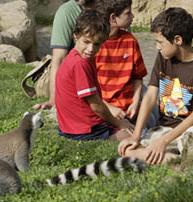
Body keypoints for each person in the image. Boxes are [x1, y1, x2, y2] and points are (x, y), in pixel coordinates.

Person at [119, 8, 193, 164]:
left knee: (183, 144)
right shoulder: (164, 57)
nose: (157, 47)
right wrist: (136, 135)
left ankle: (177, 161)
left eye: (160, 42)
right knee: (127, 149)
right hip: (166, 127)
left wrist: (164, 141)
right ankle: (176, 161)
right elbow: (150, 96)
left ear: (178, 40)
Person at [54, 10, 135, 141]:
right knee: (132, 136)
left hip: (71, 126)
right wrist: (118, 123)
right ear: (75, 35)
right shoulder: (80, 63)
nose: (91, 49)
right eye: (86, 42)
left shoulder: (76, 58)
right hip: (84, 129)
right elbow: (96, 106)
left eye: (96, 44)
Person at [33, 0, 97, 110]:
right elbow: (59, 58)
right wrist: (54, 99)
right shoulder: (66, 12)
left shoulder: (113, 7)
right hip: (79, 76)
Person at [93, 0, 146, 121]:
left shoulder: (130, 41)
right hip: (103, 110)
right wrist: (109, 108)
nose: (132, 16)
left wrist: (136, 103)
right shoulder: (94, 45)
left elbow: (138, 77)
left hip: (129, 110)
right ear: (113, 18)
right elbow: (89, 87)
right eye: (128, 13)